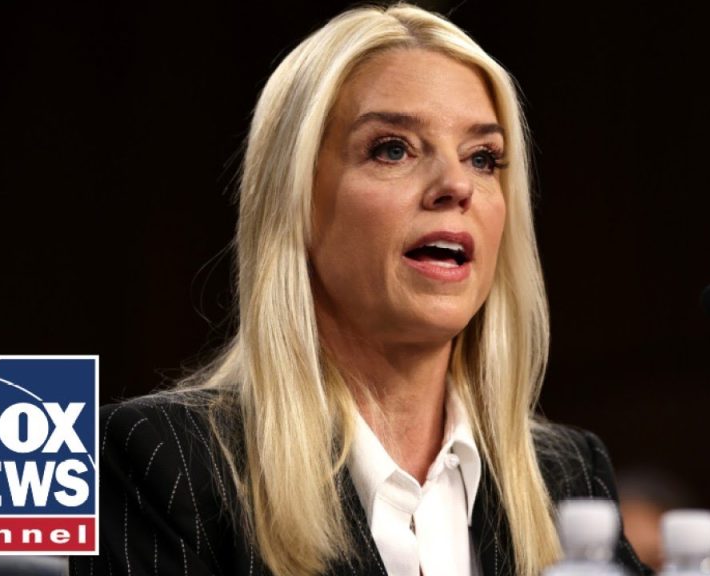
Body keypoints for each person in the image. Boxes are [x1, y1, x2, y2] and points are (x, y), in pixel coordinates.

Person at [70, 4, 651, 576]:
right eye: (393, 148)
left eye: (482, 158)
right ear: (295, 198)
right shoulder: (161, 460)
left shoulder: (567, 475)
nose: (456, 185)